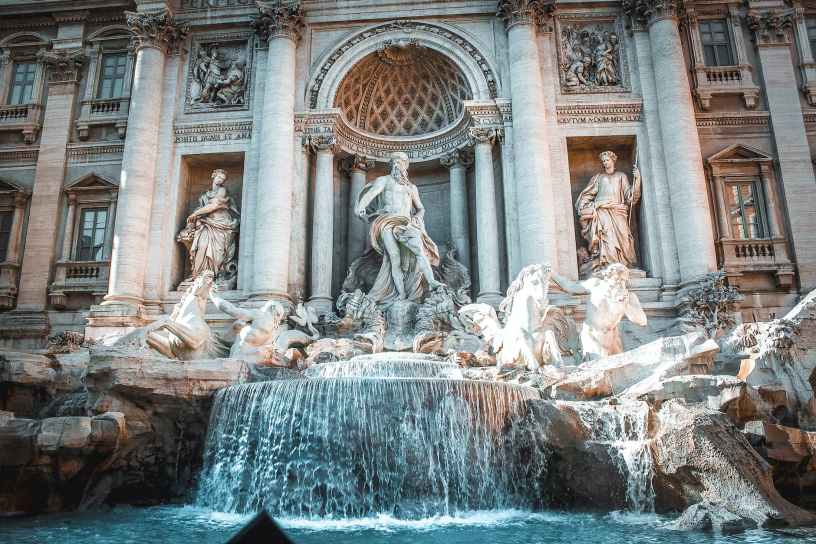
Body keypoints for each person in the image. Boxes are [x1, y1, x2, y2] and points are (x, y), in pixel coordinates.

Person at [354, 152, 444, 305]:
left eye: (400, 162)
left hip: (406, 223)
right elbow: (372, 193)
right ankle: (401, 294)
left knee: (419, 251)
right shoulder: (384, 181)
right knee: (394, 257)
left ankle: (432, 281)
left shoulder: (411, 188)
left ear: (405, 165)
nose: (397, 164)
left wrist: (418, 217)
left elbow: (421, 208)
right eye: (394, 162)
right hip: (387, 221)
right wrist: (360, 206)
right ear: (391, 165)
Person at [575, 151, 641, 272]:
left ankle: (622, 263)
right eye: (603, 161)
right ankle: (606, 264)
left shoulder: (621, 176)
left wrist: (637, 180)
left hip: (618, 211)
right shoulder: (598, 178)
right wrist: (584, 204)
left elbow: (630, 196)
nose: (605, 162)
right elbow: (588, 194)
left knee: (624, 238)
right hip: (602, 211)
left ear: (613, 160)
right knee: (606, 236)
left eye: (607, 160)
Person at [178, 169, 240, 284]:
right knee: (202, 246)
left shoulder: (222, 190)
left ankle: (213, 276)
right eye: (219, 177)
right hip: (207, 224)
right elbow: (202, 208)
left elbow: (214, 205)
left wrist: (195, 214)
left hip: (221, 224)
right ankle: (198, 276)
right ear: (213, 176)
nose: (220, 180)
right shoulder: (205, 195)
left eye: (223, 179)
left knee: (217, 252)